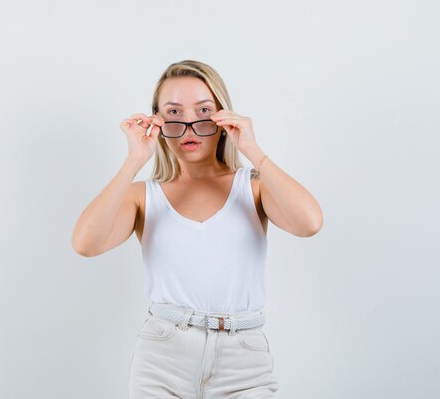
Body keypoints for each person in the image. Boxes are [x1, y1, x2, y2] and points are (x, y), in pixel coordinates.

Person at [71, 59, 323, 399]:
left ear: (222, 116)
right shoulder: (143, 197)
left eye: (203, 110)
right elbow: (86, 243)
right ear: (156, 121)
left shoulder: (254, 186)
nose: (189, 125)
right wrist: (134, 160)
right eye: (174, 113)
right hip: (162, 358)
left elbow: (309, 222)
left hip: (243, 360)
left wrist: (251, 149)